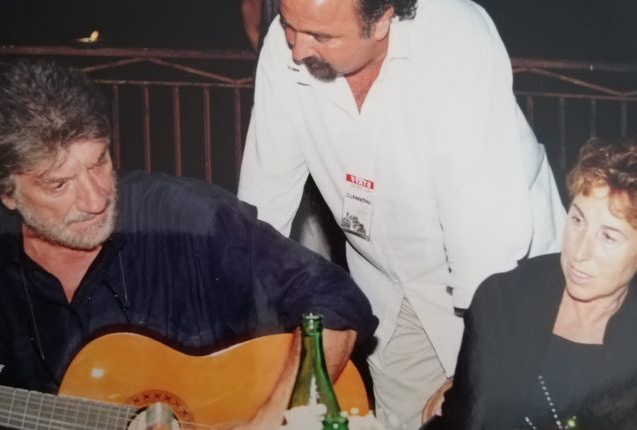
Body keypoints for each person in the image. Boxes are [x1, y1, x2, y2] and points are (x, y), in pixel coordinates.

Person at [0, 59, 378, 429]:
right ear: (4, 191)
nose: (97, 198)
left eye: (99, 162)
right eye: (59, 184)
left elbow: (334, 301)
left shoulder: (183, 217)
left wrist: (269, 419)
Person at [237, 0, 565, 428]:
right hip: (388, 286)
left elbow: (483, 240)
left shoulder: (455, 38)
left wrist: (476, 375)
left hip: (502, 291)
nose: (296, 50)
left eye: (321, 36)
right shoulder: (285, 47)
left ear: (382, 20)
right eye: (289, 25)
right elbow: (263, 208)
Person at [429, 137, 637, 429]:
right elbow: (467, 417)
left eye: (608, 237)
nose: (579, 252)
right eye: (578, 220)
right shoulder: (503, 300)